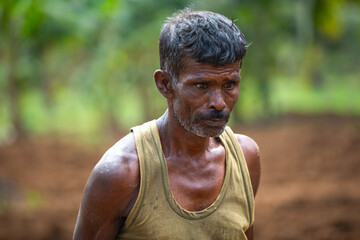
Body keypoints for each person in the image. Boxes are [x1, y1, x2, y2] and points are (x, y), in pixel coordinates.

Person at [74, 9, 261, 240]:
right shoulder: (121, 174)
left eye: (230, 84)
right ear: (165, 84)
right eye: (201, 86)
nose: (219, 103)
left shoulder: (245, 159)